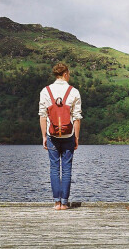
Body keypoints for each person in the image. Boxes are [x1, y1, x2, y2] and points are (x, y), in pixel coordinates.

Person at [38, 63, 82, 210]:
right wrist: (76, 137)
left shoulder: (45, 91)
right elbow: (77, 117)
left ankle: (56, 202)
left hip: (52, 135)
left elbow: (43, 116)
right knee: (67, 169)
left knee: (54, 168)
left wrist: (44, 136)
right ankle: (64, 203)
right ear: (65, 74)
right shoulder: (74, 91)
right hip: (69, 135)